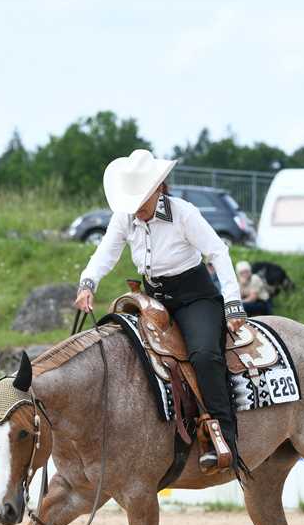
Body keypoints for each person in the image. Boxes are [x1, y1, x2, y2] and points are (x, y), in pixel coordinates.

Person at [74, 148, 247, 473]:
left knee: (204, 355)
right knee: (125, 352)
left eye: (141, 201)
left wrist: (232, 302)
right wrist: (88, 283)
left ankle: (224, 437)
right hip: (153, 299)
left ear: (158, 189)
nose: (136, 209)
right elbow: (105, 252)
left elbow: (218, 252)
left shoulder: (184, 213)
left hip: (195, 297)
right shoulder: (125, 216)